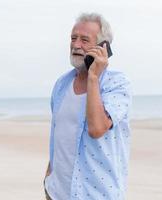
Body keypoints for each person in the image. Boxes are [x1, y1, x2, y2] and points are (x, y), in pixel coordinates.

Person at [43, 12, 132, 200]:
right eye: (73, 38)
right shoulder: (61, 84)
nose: (76, 45)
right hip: (56, 192)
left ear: (103, 47)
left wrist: (93, 76)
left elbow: (97, 128)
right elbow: (60, 135)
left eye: (84, 40)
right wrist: (48, 177)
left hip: (96, 195)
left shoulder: (117, 84)